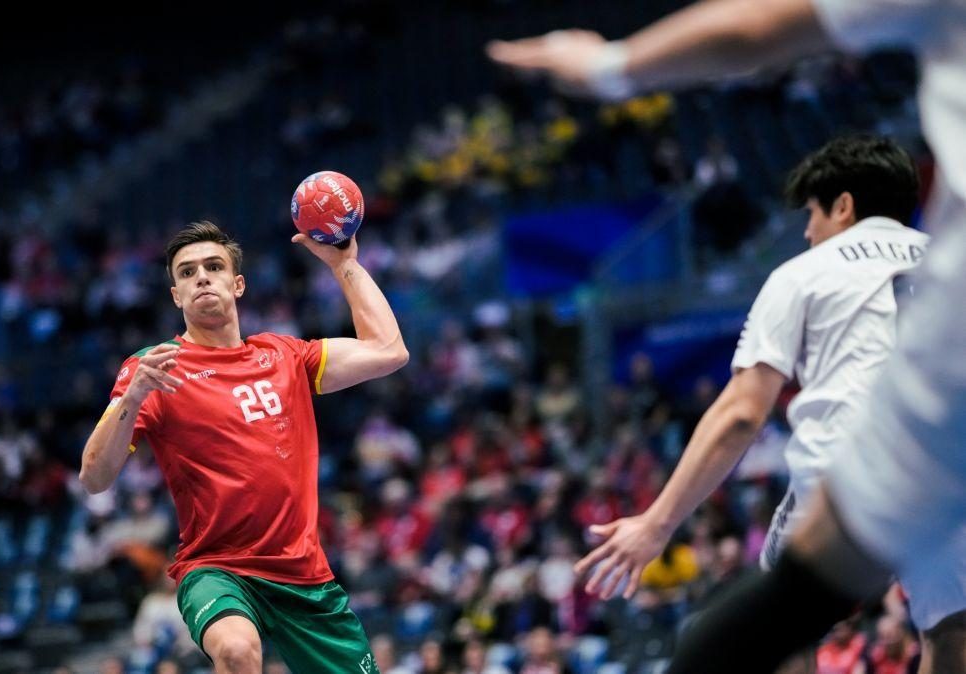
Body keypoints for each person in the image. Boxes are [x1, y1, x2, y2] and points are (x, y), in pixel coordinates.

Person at [488, 0, 966, 671]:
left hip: (860, 454)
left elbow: (742, 413)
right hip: (957, 448)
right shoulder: (938, 255)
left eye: (810, 215)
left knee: (765, 633)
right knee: (951, 633)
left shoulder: (805, 270)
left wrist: (655, 523)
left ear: (842, 207)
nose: (804, 231)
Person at [80, 221, 408, 673]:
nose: (201, 277)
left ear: (237, 285)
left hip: (303, 576)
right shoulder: (153, 369)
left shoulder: (285, 356)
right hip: (217, 569)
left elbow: (389, 351)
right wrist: (133, 397)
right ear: (176, 295)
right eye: (187, 272)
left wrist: (346, 264)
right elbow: (94, 477)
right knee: (236, 650)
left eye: (213, 267)